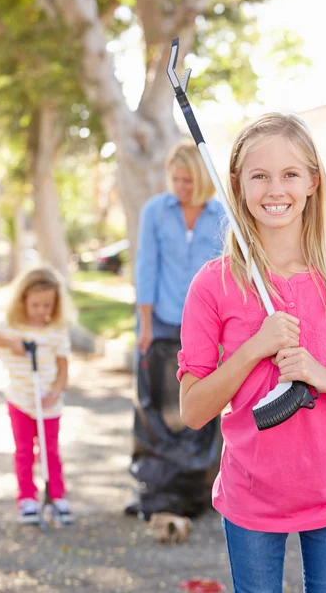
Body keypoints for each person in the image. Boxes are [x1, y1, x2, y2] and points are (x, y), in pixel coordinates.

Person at [177, 113, 326, 592]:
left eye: (290, 173)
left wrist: (323, 376)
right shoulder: (213, 285)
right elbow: (193, 411)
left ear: (313, 182)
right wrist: (256, 347)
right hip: (251, 494)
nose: (276, 189)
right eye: (260, 175)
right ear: (238, 185)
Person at [126, 139, 225, 519]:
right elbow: (146, 266)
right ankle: (154, 486)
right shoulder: (156, 211)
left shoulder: (220, 216)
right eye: (176, 180)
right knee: (155, 408)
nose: (182, 187)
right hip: (162, 320)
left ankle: (200, 488)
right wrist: (146, 324)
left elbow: (224, 273)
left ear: (202, 180)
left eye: (189, 181)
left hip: (202, 325)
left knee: (200, 406)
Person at [0, 266, 75, 525]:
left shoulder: (56, 331)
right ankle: (26, 498)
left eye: (47, 305)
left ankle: (57, 496)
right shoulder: (10, 327)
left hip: (48, 404)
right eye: (35, 304)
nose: (41, 311)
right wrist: (10, 343)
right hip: (20, 400)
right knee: (24, 451)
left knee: (50, 450)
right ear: (23, 300)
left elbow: (63, 368)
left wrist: (56, 391)